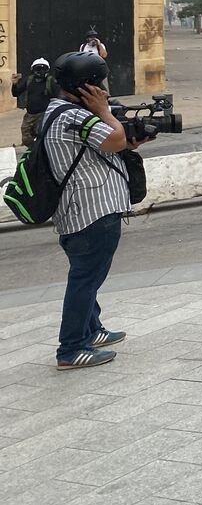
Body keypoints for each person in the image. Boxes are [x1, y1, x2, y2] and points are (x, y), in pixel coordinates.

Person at [45, 52, 142, 369]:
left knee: (87, 276)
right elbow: (115, 140)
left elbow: (108, 145)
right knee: (85, 280)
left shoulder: (61, 110)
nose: (103, 89)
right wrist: (104, 112)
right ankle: (71, 348)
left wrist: (129, 139)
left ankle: (92, 329)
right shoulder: (74, 117)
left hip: (83, 211)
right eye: (99, 83)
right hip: (90, 214)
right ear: (86, 86)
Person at [10, 58, 57, 148]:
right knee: (26, 138)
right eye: (38, 69)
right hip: (30, 115)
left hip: (43, 114)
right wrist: (14, 84)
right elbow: (15, 93)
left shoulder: (50, 81)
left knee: (41, 134)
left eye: (43, 69)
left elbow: (58, 96)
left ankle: (41, 151)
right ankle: (34, 150)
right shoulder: (29, 80)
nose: (40, 72)